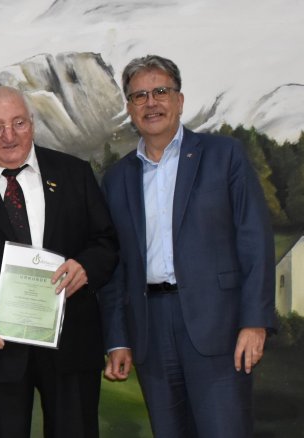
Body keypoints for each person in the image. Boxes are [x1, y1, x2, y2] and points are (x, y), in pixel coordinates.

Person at [100, 54, 275, 438]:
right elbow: (114, 269)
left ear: (179, 99)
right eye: (139, 95)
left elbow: (254, 240)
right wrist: (117, 339)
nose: (151, 103)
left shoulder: (223, 155)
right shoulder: (116, 180)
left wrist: (254, 321)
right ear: (129, 108)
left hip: (220, 327)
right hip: (150, 331)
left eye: (161, 91)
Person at [0, 86, 118, 438]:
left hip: (70, 345)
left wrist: (85, 267)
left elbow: (106, 243)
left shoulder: (74, 173)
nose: (10, 136)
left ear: (32, 123)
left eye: (19, 123)